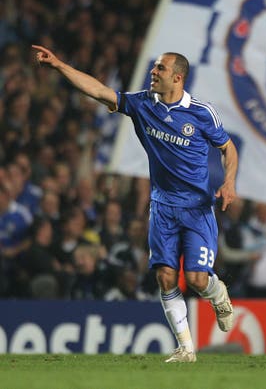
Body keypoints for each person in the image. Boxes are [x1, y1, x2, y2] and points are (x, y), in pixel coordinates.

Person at [33, 45, 238, 363]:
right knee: (166, 277)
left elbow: (228, 147)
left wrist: (228, 182)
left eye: (160, 69)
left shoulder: (201, 113)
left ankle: (218, 294)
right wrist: (60, 65)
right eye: (154, 67)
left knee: (197, 280)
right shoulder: (142, 103)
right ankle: (186, 348)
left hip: (197, 209)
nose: (153, 72)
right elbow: (100, 91)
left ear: (177, 77)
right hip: (162, 207)